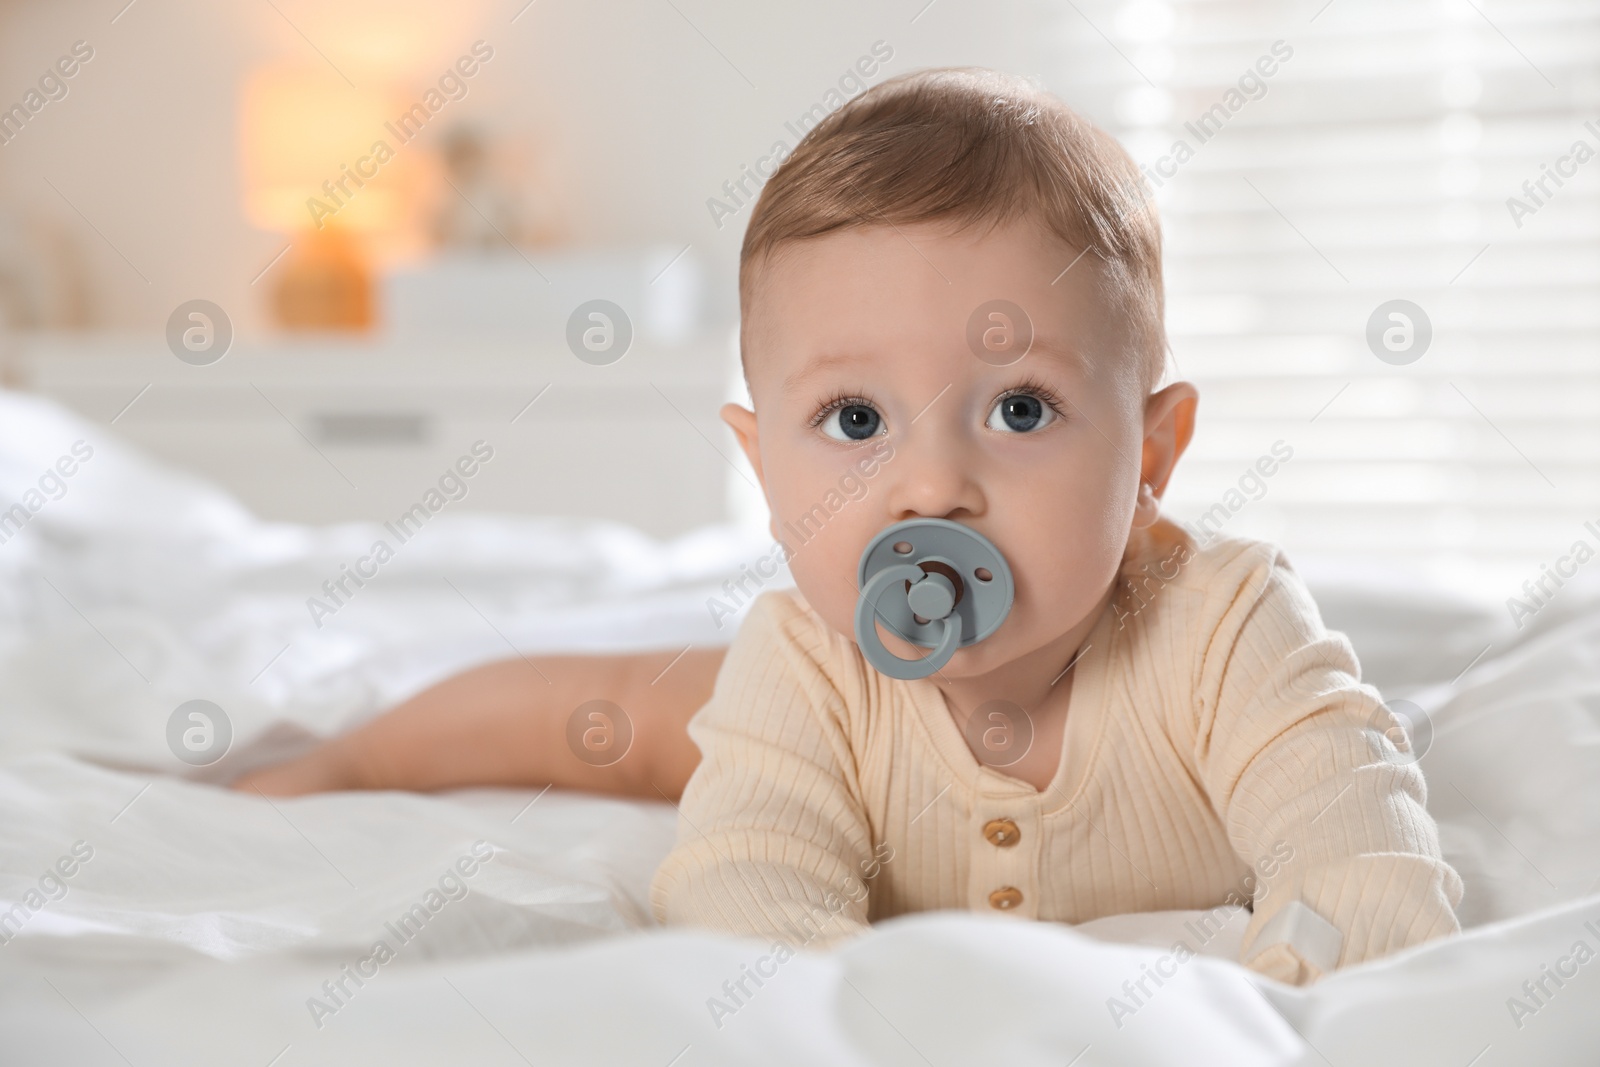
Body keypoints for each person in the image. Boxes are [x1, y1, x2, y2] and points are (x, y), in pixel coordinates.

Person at [235, 68, 1462, 985]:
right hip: (826, 711)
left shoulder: (1230, 628)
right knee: (614, 711)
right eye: (854, 415)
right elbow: (742, 896)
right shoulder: (806, 663)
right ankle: (346, 752)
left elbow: (1365, 865)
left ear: (1149, 455)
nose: (930, 488)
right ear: (764, 467)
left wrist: (1279, 995)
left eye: (1019, 407)